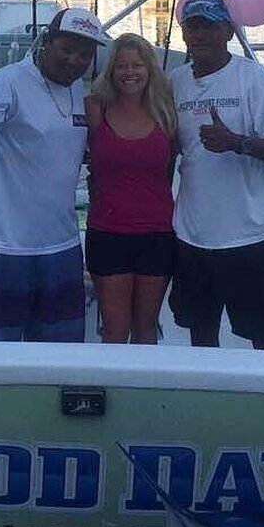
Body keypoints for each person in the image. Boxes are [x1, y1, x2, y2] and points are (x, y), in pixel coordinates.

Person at [0, 7, 109, 342]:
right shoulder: (8, 83)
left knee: (63, 350)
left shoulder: (79, 90)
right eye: (67, 49)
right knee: (1, 351)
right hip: (3, 247)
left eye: (85, 53)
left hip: (61, 245)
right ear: (46, 42)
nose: (75, 60)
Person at [169, 0, 264, 351]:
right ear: (184, 33)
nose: (199, 35)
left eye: (209, 27)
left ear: (228, 31)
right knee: (201, 332)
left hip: (250, 238)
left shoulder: (253, 78)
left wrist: (237, 143)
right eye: (192, 27)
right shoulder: (175, 81)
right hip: (192, 236)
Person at [84, 33, 176, 344]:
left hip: (158, 234)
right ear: (111, 71)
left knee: (146, 327)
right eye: (121, 66)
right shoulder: (95, 108)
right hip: (107, 232)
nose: (129, 72)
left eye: (137, 65)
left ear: (149, 69)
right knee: (115, 329)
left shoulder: (166, 112)